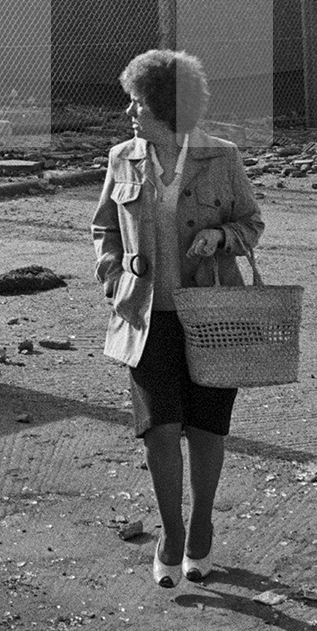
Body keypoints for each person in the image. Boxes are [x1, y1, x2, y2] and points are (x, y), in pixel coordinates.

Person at [91, 47, 264, 588]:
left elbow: (252, 222)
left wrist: (223, 237)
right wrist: (114, 276)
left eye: (137, 103)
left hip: (211, 315)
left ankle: (202, 524)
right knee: (159, 430)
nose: (130, 114)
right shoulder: (123, 157)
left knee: (207, 429)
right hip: (145, 319)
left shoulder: (222, 157)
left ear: (166, 108)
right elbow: (103, 229)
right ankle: (170, 531)